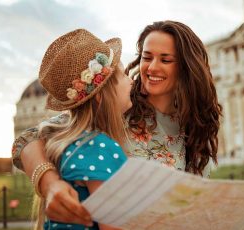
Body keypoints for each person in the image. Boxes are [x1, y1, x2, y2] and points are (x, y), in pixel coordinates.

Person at [12, 20, 222, 226]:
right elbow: (26, 140)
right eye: (147, 57)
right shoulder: (115, 107)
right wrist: (50, 185)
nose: (151, 68)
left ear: (187, 68)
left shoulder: (194, 128)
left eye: (166, 60)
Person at [28, 29, 132, 230]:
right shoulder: (102, 148)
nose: (131, 80)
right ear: (102, 96)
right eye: (124, 75)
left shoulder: (67, 145)